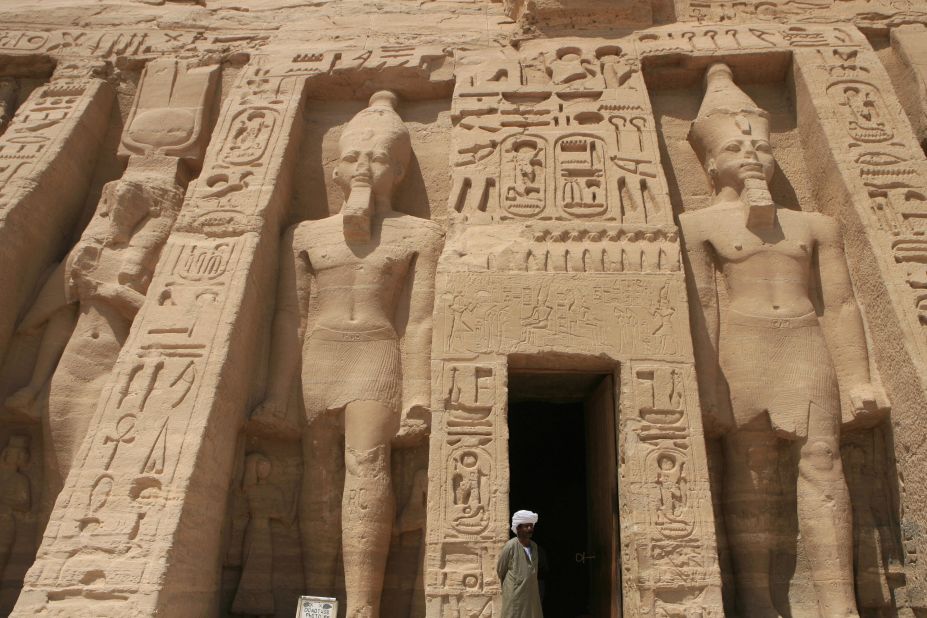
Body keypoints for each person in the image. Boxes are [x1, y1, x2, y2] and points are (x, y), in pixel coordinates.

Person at [679, 63, 889, 617]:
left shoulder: (815, 226)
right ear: (709, 162)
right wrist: (706, 386)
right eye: (736, 148)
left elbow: (840, 306)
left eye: (764, 150)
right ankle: (755, 602)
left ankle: (838, 601)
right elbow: (703, 307)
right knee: (749, 471)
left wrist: (858, 378)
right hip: (741, 351)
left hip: (805, 346)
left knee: (823, 461)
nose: (752, 157)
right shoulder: (699, 226)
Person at [251, 91, 443, 617]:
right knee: (318, 475)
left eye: (378, 157)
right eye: (354, 157)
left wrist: (420, 395)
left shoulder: (419, 234)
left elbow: (419, 320)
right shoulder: (306, 234)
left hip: (377, 356)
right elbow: (291, 317)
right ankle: (316, 601)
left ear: (399, 170)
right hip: (321, 355)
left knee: (367, 464)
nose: (365, 167)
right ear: (335, 169)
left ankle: (362, 607)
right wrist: (276, 393)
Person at [496, 510, 543, 618]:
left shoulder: (534, 546)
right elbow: (500, 570)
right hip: (515, 593)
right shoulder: (511, 546)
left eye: (531, 526)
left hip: (531, 593)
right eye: (527, 526)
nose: (530, 529)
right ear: (518, 528)